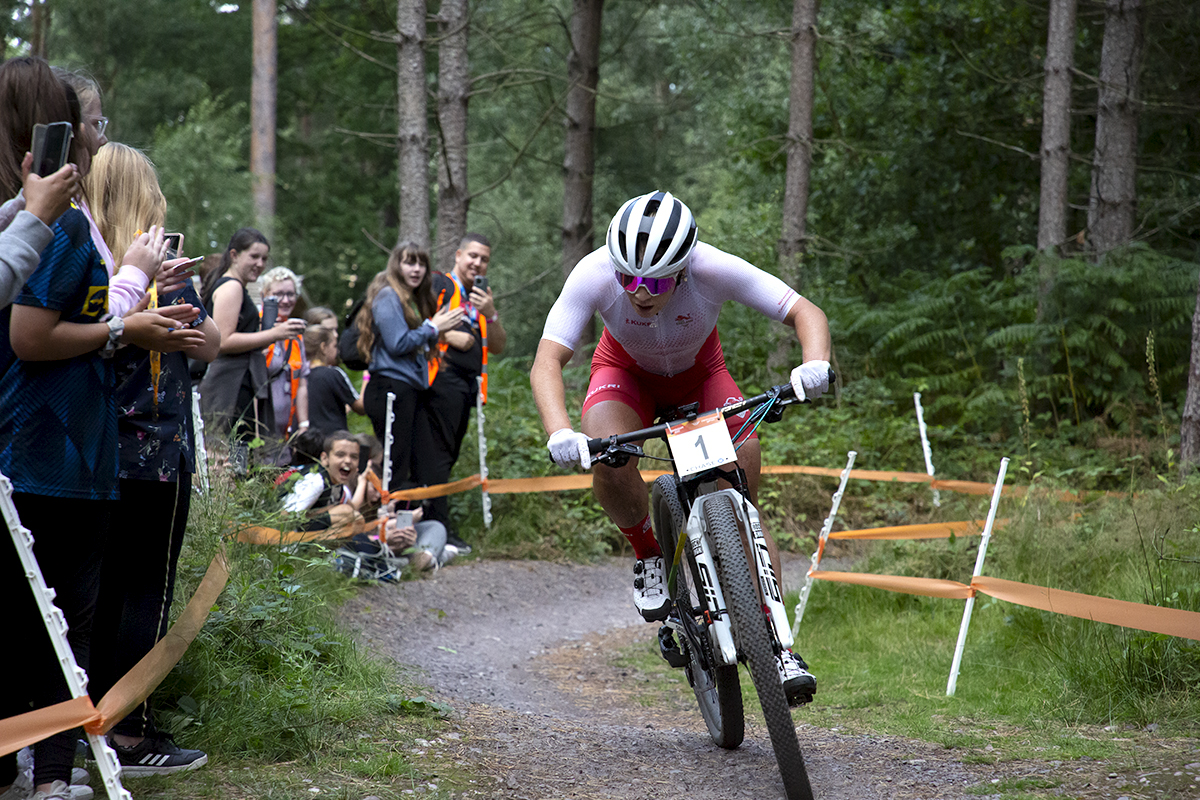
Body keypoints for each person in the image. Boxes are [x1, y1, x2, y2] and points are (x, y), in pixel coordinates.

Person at [530, 191, 832, 706]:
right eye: (628, 279)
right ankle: (649, 553)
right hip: (625, 376)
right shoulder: (593, 272)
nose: (639, 292)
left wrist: (814, 362)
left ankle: (778, 647)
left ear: (684, 270)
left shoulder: (712, 267)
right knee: (608, 456)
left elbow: (805, 311)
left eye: (655, 282)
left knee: (742, 503)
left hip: (702, 377)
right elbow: (546, 362)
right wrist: (559, 431)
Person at [0, 56, 204, 800]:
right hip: (51, 448)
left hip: (74, 450)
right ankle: (49, 772)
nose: (97, 137)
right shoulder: (56, 227)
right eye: (90, 122)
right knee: (57, 620)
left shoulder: (51, 222)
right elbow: (32, 335)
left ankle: (42, 769)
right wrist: (130, 309)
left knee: (57, 620)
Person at [82, 142, 217, 778]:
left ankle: (85, 724)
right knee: (146, 588)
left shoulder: (89, 263)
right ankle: (131, 732)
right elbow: (209, 347)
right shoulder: (149, 269)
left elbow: (207, 344)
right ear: (147, 200)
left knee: (99, 590)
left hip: (96, 450)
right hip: (155, 452)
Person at [356, 242, 462, 495]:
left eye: (421, 264)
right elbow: (397, 343)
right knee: (396, 464)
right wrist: (433, 327)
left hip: (410, 389)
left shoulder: (411, 300)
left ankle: (417, 514)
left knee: (421, 462)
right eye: (409, 262)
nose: (416, 269)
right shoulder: (388, 296)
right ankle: (383, 514)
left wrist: (436, 331)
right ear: (397, 265)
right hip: (390, 388)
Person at [198, 228, 306, 474]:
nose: (260, 264)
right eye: (254, 256)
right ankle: (230, 491)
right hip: (227, 387)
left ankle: (237, 487)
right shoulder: (232, 287)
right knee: (225, 456)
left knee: (239, 452)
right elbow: (223, 340)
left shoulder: (235, 286)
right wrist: (276, 334)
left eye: (264, 258)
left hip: (237, 384)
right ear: (234, 255)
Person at [425, 233, 507, 549]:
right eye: (472, 256)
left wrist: (491, 313)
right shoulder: (441, 285)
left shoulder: (481, 297)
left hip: (466, 388)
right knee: (438, 456)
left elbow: (498, 345)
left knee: (448, 455)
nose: (477, 263)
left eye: (484, 259)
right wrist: (447, 337)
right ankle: (440, 528)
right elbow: (415, 321)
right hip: (439, 380)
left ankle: (435, 526)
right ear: (458, 255)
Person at [259, 266, 311, 462]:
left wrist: (304, 424)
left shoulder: (295, 335)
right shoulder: (256, 327)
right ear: (265, 295)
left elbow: (302, 381)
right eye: (279, 294)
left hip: (285, 434)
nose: (286, 300)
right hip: (257, 429)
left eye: (290, 294)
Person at [280, 430, 367, 535]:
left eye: (354, 457)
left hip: (305, 531)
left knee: (357, 520)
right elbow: (284, 516)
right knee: (345, 512)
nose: (348, 460)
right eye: (340, 455)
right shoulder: (316, 480)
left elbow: (353, 509)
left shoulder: (337, 483)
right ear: (325, 459)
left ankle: (326, 546)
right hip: (284, 536)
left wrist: (362, 481)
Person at [304, 323, 365, 437]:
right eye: (335, 346)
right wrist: (366, 377)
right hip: (332, 438)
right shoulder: (333, 374)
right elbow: (360, 407)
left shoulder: (299, 374)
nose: (337, 351)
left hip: (307, 438)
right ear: (323, 347)